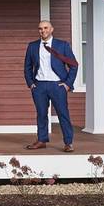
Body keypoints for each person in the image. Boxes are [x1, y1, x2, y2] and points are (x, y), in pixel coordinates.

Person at [24, 20, 79, 152]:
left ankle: (68, 142)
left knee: (63, 114)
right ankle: (42, 140)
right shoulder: (32, 46)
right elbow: (27, 67)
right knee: (41, 114)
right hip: (39, 86)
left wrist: (67, 84)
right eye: (40, 28)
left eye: (46, 28)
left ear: (52, 29)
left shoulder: (62, 45)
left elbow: (74, 65)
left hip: (57, 85)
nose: (43, 31)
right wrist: (31, 84)